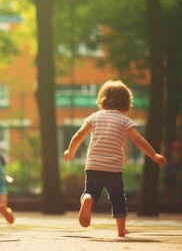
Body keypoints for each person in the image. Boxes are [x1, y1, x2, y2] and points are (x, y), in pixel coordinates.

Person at [63, 80, 167, 237]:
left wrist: (70, 152)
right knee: (118, 198)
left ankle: (88, 199)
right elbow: (138, 140)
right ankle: (120, 230)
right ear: (126, 102)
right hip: (113, 168)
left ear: (102, 99)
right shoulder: (124, 120)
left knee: (90, 191)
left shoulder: (95, 117)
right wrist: (154, 155)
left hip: (93, 165)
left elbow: (79, 135)